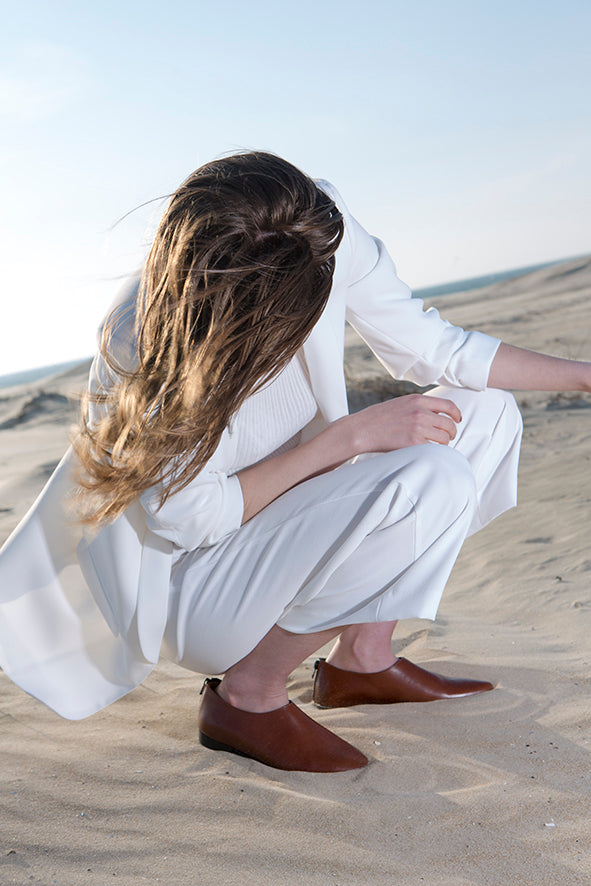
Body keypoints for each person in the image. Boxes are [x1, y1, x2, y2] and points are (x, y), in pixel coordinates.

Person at [0, 152, 589, 772]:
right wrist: (345, 441)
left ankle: (362, 661)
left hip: (286, 519)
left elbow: (434, 349)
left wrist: (582, 377)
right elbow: (188, 519)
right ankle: (248, 695)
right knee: (428, 478)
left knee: (486, 411)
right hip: (195, 587)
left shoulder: (309, 225)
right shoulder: (145, 336)